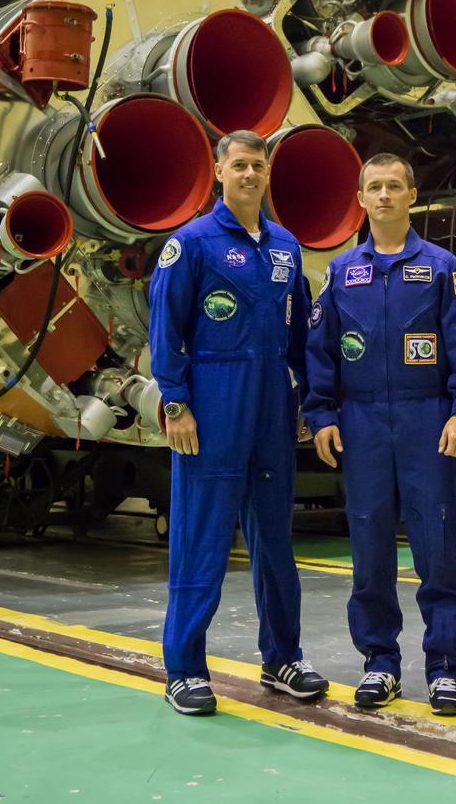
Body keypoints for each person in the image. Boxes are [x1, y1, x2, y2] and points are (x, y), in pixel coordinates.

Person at [149, 129, 328, 715]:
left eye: (259, 165)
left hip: (272, 405)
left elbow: (299, 333)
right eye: (240, 165)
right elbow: (165, 330)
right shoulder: (191, 244)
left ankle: (282, 657)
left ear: (268, 174)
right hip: (213, 402)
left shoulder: (285, 246)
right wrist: (176, 403)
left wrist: (306, 401)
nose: (250, 174)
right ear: (219, 172)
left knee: (275, 542)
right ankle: (184, 668)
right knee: (201, 539)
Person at [303, 153, 456, 715]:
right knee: (370, 550)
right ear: (361, 199)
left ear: (411, 196)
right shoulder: (341, 272)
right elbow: (320, 350)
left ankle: (444, 667)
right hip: (362, 425)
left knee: (439, 547)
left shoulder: (442, 267)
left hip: (427, 420)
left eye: (394, 186)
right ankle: (380, 662)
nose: (384, 195)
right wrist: (323, 415)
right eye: (374, 187)